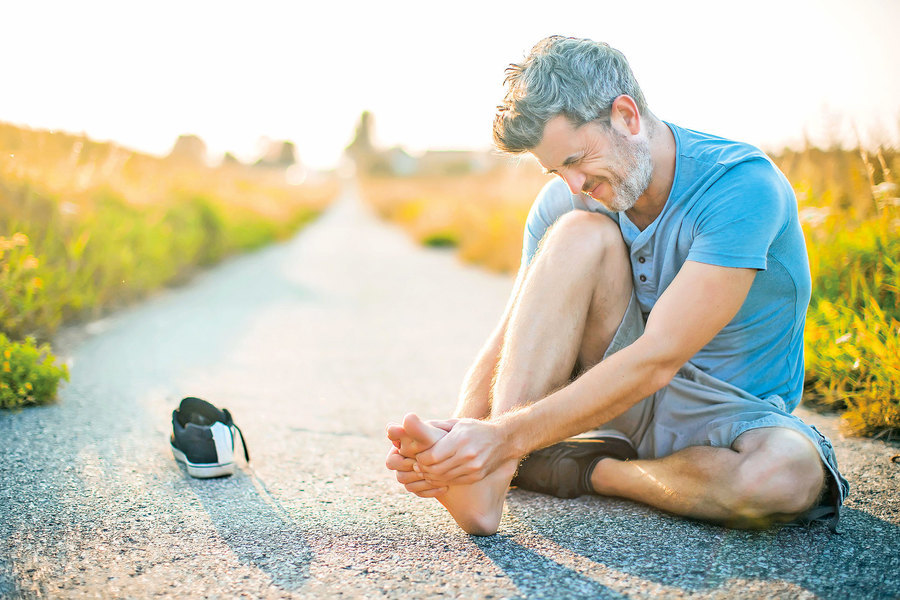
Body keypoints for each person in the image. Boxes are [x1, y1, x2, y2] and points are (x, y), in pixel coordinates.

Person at [385, 35, 849, 536]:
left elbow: (658, 358)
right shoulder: (567, 202)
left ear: (627, 116)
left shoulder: (741, 185)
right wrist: (461, 449)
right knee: (578, 232)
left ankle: (590, 471)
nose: (574, 184)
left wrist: (503, 437)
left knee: (785, 478)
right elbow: (509, 336)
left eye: (577, 159)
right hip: (612, 402)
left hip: (729, 415)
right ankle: (495, 479)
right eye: (556, 168)